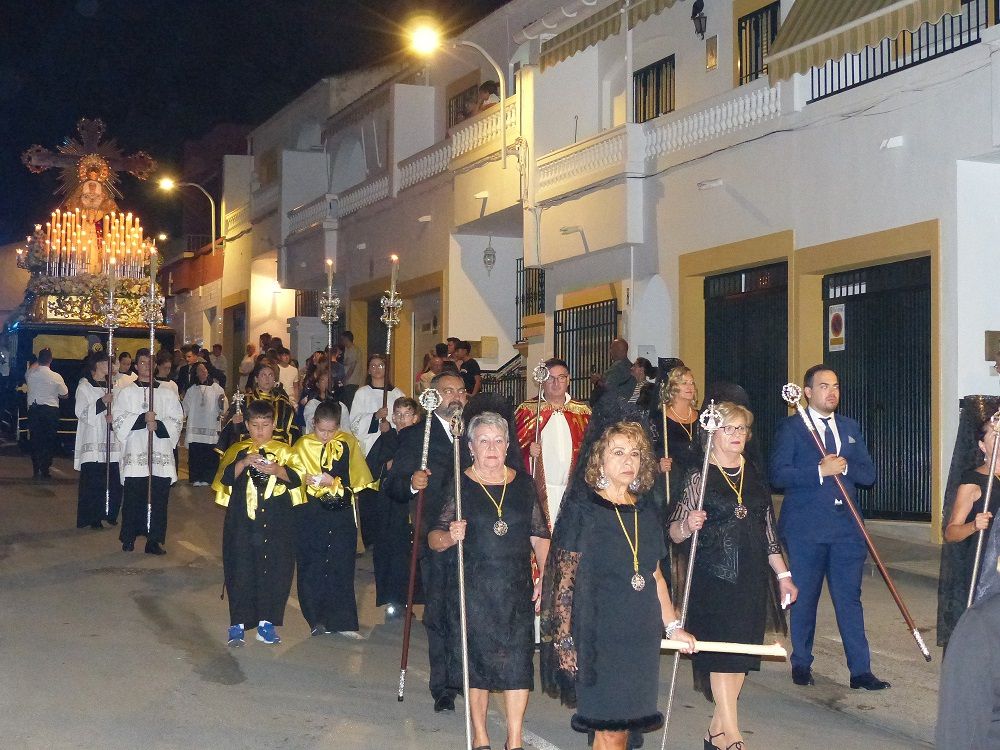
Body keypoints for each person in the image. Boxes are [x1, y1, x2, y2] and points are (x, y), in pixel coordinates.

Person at [540, 412, 695, 750]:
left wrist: (672, 627)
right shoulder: (584, 511)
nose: (629, 461)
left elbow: (655, 576)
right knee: (608, 729)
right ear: (599, 459)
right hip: (598, 636)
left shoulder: (645, 511)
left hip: (639, 638)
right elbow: (564, 580)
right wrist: (564, 640)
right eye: (619, 452)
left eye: (635, 453)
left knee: (622, 732)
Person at [668, 402, 795, 750]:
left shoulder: (753, 473)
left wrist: (783, 574)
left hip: (751, 578)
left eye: (742, 428)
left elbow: (768, 531)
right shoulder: (699, 475)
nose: (737, 434)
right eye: (729, 428)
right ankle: (734, 736)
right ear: (713, 434)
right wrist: (687, 524)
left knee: (740, 656)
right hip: (713, 579)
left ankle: (715, 732)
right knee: (722, 655)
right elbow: (674, 532)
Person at [428, 411, 551, 750]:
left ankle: (515, 738)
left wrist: (547, 577)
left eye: (498, 441)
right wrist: (450, 537)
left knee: (518, 665)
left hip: (515, 589)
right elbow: (433, 539)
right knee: (477, 667)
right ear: (470, 447)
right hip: (473, 591)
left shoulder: (523, 484)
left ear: (509, 445)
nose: (492, 448)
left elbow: (540, 535)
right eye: (483, 441)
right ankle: (481, 736)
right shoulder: (460, 484)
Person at [770, 364, 886, 690]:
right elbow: (778, 474)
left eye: (835, 386)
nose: (831, 392)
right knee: (805, 598)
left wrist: (845, 466)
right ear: (807, 392)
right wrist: (819, 471)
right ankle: (801, 663)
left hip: (847, 529)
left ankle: (860, 671)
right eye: (823, 386)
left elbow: (868, 475)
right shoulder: (792, 427)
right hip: (806, 529)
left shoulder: (850, 427)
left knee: (849, 600)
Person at [384, 371, 469, 712]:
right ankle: (444, 686)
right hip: (435, 536)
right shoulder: (418, 436)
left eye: (461, 391)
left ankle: (469, 678)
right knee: (440, 612)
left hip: (475, 536)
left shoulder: (478, 431)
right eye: (448, 391)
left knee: (471, 611)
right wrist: (412, 482)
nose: (456, 397)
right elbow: (392, 486)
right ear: (434, 396)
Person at [214, 399, 304, 646]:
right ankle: (238, 623)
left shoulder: (286, 451)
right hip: (243, 523)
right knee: (241, 569)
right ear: (247, 425)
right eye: (255, 425)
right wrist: (244, 462)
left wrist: (277, 470)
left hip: (276, 522)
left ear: (273, 425)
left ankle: (267, 622)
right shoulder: (238, 450)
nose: (260, 431)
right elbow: (224, 479)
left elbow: (298, 480)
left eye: (265, 425)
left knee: (275, 570)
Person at [291, 401, 374, 638]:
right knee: (312, 563)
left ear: (338, 426)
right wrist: (305, 479)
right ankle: (315, 617)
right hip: (311, 511)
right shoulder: (302, 445)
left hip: (340, 511)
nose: (326, 436)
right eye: (321, 430)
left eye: (331, 430)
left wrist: (334, 482)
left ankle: (342, 621)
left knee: (341, 564)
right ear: (313, 424)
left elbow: (357, 480)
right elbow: (291, 477)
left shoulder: (348, 443)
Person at [938, 407, 1000, 648]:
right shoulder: (974, 482)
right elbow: (951, 532)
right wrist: (974, 525)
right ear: (982, 446)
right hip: (987, 567)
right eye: (995, 435)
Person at [112, 348, 183, 555]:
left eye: (150, 363)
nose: (146, 366)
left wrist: (158, 425)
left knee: (158, 499)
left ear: (155, 365)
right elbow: (118, 419)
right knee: (133, 498)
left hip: (159, 453)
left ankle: (154, 540)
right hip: (136, 453)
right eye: (142, 363)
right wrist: (142, 419)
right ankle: (129, 537)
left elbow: (177, 419)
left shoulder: (167, 393)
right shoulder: (126, 392)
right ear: (136, 366)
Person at [514, 357, 591, 528]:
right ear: (542, 380)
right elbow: (512, 448)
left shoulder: (583, 413)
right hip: (541, 489)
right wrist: (527, 451)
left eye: (561, 378)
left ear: (568, 379)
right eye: (550, 378)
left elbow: (592, 450)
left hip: (572, 489)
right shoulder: (528, 410)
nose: (556, 383)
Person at [369, 397, 422, 615]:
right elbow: (372, 468)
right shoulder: (388, 438)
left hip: (412, 504)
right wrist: (387, 464)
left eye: (406, 414)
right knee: (391, 552)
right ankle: (394, 600)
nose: (401, 419)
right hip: (389, 505)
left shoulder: (419, 441)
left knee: (412, 552)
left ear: (415, 417)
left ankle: (412, 598)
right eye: (398, 414)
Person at [74, 352, 122, 528]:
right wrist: (102, 402)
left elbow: (120, 409)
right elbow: (81, 412)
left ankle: (110, 513)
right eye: (106, 362)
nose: (110, 365)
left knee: (114, 480)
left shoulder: (114, 387)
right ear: (96, 365)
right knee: (94, 482)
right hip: (94, 440)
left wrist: (115, 418)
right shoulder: (85, 387)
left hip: (112, 440)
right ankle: (93, 517)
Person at [216, 362, 298, 453]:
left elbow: (293, 431)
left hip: (277, 450)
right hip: (248, 448)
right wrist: (234, 423)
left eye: (270, 375)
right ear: (256, 379)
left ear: (274, 379)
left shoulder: (284, 403)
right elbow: (230, 429)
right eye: (263, 375)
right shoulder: (244, 401)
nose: (267, 378)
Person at [660, 366, 703, 504]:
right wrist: (658, 465)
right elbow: (649, 452)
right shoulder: (660, 419)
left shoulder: (702, 418)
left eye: (692, 383)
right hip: (671, 484)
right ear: (673, 387)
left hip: (698, 483)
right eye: (684, 383)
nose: (690, 387)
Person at [350, 354, 405, 456]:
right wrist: (375, 417)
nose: (377, 368)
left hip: (392, 444)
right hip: (370, 445)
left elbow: (404, 420)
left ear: (386, 369)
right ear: (369, 370)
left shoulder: (397, 394)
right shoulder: (362, 393)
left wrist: (389, 428)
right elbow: (354, 422)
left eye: (381, 365)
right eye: (373, 366)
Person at [25, 347, 68, 480]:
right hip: (50, 411)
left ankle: (36, 467)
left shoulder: (31, 374)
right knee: (49, 440)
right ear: (51, 360)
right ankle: (45, 468)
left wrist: (37, 361)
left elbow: (31, 368)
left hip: (34, 410)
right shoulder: (56, 376)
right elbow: (65, 394)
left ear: (38, 359)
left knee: (35, 439)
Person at [183, 362, 227, 486]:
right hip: (195, 424)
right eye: (199, 370)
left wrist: (221, 404)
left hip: (210, 424)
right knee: (196, 452)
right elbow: (185, 407)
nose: (202, 372)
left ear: (208, 371)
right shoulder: (192, 390)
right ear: (196, 373)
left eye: (204, 370)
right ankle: (196, 478)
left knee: (210, 452)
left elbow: (223, 406)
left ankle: (209, 477)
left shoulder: (217, 388)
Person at [589, 338, 636, 403]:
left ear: (617, 350)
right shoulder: (631, 367)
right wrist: (601, 378)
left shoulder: (617, 366)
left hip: (611, 406)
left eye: (612, 348)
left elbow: (608, 388)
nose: (610, 351)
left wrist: (597, 381)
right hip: (625, 405)